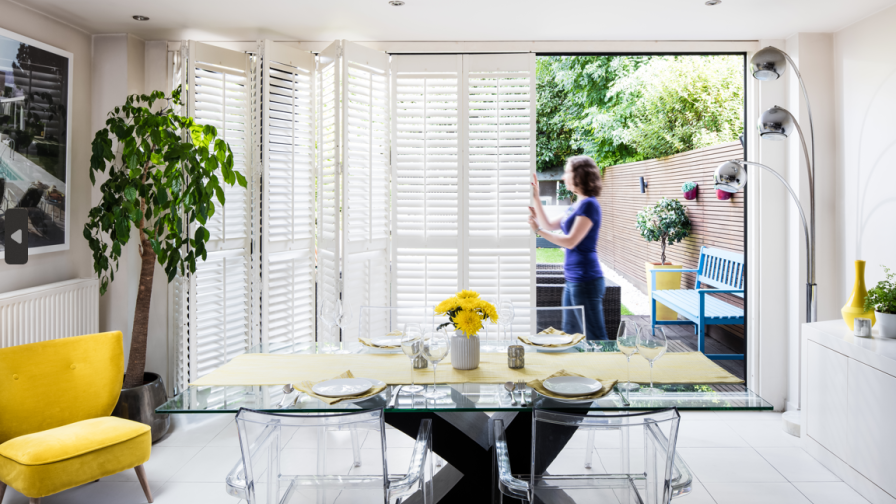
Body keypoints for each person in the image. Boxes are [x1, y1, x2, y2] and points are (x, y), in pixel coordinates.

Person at [528, 156, 607, 340]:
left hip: (586, 280)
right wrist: (536, 198)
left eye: (567, 172)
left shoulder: (589, 205)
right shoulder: (576, 205)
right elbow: (548, 223)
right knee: (570, 335)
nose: (563, 177)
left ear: (579, 176)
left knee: (595, 337)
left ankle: (607, 368)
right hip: (573, 280)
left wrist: (538, 230)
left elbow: (571, 241)